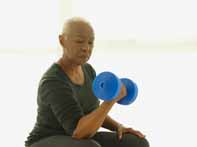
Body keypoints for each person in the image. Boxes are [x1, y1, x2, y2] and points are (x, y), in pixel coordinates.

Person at [25, 17, 150, 147]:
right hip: (45, 141)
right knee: (89, 146)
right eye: (79, 41)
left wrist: (118, 127)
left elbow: (94, 113)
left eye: (90, 42)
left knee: (136, 142)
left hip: (76, 139)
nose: (86, 48)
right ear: (62, 41)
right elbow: (78, 132)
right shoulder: (53, 81)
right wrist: (111, 100)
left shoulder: (88, 70)